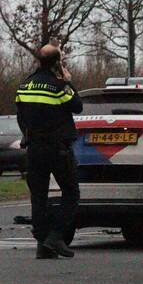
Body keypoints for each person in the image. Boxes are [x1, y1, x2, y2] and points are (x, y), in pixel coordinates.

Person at [15, 44, 83, 259]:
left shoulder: (24, 86)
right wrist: (67, 80)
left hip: (34, 149)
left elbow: (20, 116)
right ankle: (55, 236)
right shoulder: (58, 86)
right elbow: (77, 105)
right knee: (71, 193)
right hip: (57, 149)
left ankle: (42, 245)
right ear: (57, 63)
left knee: (39, 197)